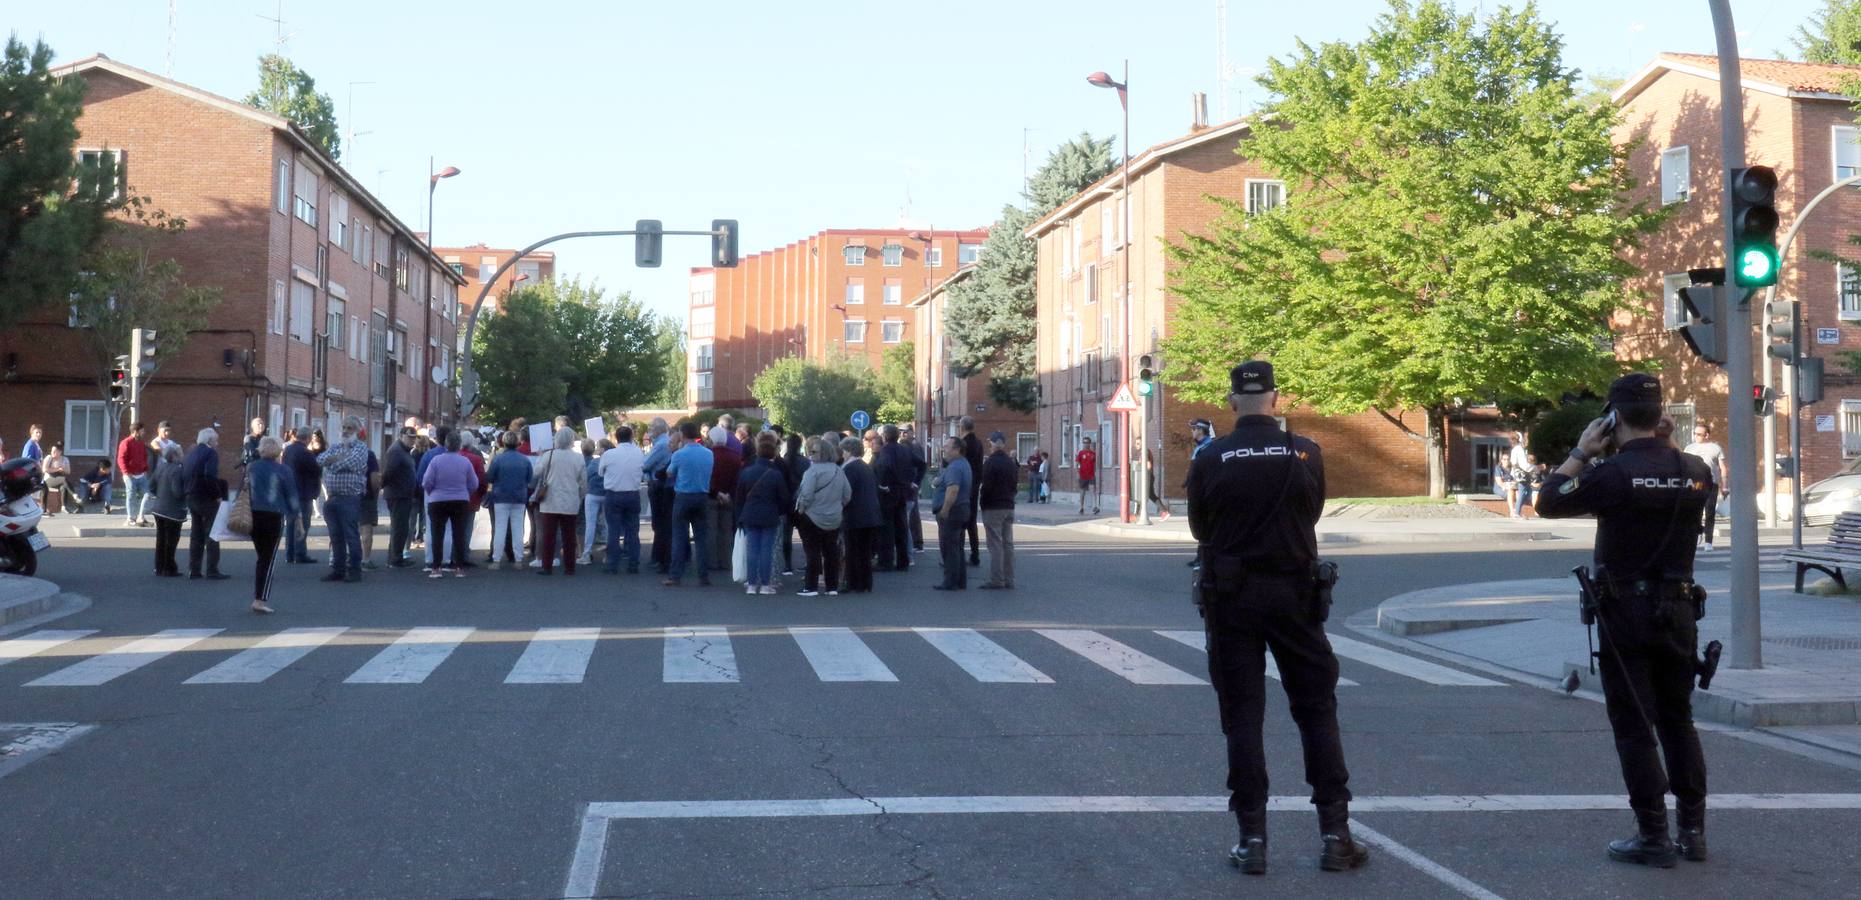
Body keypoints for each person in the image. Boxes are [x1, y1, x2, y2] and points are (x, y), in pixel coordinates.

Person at [1188, 360, 1366, 875]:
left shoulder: (1212, 454)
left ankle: (1253, 841)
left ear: (1229, 401)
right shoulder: (1305, 451)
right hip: (1294, 595)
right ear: (1276, 398)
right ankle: (1336, 835)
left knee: (1243, 718)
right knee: (1317, 712)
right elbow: (1311, 513)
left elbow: (1201, 525)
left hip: (1232, 598)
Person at [1536, 372, 1713, 868]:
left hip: (1625, 613)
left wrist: (1580, 451)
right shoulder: (1697, 470)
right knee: (1679, 720)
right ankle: (1694, 833)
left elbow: (1546, 502)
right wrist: (1668, 442)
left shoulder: (1611, 474)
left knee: (1635, 725)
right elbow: (1678, 480)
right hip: (1679, 610)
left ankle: (1653, 834)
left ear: (1613, 418)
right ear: (1661, 416)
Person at [735, 432, 793, 595]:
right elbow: (784, 498)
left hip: (750, 514)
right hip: (769, 515)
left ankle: (752, 584)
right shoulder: (775, 474)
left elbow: (739, 497)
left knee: (752, 549)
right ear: (773, 454)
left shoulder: (747, 472)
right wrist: (778, 511)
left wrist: (739, 516)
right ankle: (766, 584)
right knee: (766, 549)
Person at [793, 436, 851, 596]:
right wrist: (837, 507)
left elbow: (806, 495)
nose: (810, 454)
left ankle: (810, 586)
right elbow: (847, 494)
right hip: (834, 517)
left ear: (820, 454)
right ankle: (832, 587)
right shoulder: (839, 470)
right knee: (831, 552)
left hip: (812, 517)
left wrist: (801, 510)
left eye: (813, 452)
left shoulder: (812, 472)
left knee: (812, 551)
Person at [315, 417, 370, 583]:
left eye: (350, 428)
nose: (346, 431)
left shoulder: (361, 448)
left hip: (350, 498)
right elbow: (319, 460)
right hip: (332, 499)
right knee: (335, 536)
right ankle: (338, 569)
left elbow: (352, 463)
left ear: (357, 431)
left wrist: (333, 463)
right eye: (344, 427)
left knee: (351, 535)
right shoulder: (335, 447)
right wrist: (335, 460)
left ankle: (354, 569)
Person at [246, 436, 297, 614]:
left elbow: (244, 490)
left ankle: (258, 597)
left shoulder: (251, 467)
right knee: (268, 559)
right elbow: (291, 495)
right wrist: (296, 518)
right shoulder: (283, 470)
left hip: (253, 514)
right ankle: (259, 599)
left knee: (262, 556)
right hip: (274, 515)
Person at [420, 430, 479, 579]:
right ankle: (459, 567)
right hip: (460, 500)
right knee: (459, 534)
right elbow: (474, 483)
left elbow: (426, 482)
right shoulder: (465, 462)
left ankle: (436, 567)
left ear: (446, 445)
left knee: (437, 533)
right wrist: (465, 492)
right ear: (459, 445)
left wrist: (433, 492)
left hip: (438, 501)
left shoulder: (436, 461)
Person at [664, 422, 715, 587]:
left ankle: (675, 575)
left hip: (683, 496)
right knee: (701, 538)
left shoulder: (679, 454)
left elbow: (670, 472)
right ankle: (703, 575)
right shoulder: (708, 453)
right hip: (702, 496)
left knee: (679, 537)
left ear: (683, 435)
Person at [532, 427, 588, 576]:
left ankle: (546, 566)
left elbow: (536, 472)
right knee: (569, 536)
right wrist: (580, 496)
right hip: (570, 500)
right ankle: (570, 567)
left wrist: (540, 456)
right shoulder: (578, 458)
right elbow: (583, 482)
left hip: (550, 500)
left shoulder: (548, 455)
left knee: (548, 536)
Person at [598, 426, 645, 575]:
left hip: (613, 494)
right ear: (631, 436)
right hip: (632, 493)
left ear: (616, 438)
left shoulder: (609, 454)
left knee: (613, 530)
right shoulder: (638, 452)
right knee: (633, 530)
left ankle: (612, 564)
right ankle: (633, 563)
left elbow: (601, 472)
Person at [182, 428, 228, 580]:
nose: (217, 443)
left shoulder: (191, 453)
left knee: (196, 534)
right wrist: (217, 495)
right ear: (210, 441)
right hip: (205, 497)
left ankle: (194, 569)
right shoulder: (210, 454)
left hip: (191, 495)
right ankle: (212, 569)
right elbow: (210, 475)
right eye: (216, 440)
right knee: (212, 533)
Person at [485, 431, 534, 569]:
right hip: (519, 497)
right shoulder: (524, 459)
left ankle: (496, 560)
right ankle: (518, 560)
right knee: (518, 529)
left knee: (500, 529)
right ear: (517, 443)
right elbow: (530, 478)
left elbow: (489, 477)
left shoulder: (498, 459)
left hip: (501, 497)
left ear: (504, 442)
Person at [839, 435, 881, 593]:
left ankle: (853, 582)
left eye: (843, 451)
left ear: (849, 451)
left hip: (855, 515)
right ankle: (865, 582)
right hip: (870, 515)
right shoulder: (865, 466)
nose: (842, 454)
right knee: (864, 551)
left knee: (852, 550)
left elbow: (846, 493)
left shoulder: (849, 468)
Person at [932, 436, 973, 591]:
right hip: (962, 508)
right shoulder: (963, 464)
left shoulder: (955, 467)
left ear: (957, 449)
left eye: (947, 447)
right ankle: (960, 580)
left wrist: (945, 509)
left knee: (949, 547)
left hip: (953, 510)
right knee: (957, 547)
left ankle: (950, 581)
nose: (944, 449)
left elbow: (953, 489)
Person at [978, 431, 1018, 589]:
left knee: (995, 544)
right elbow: (1014, 484)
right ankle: (1009, 578)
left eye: (990, 443)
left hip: (993, 506)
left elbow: (986, 486)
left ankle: (997, 578)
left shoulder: (990, 463)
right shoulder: (1010, 462)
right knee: (1008, 544)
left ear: (994, 444)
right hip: (1009, 505)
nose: (989, 445)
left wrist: (982, 503)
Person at [1682, 422, 1729, 552]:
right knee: (1693, 511)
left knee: (1710, 512)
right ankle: (1695, 535)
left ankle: (1708, 541)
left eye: (1699, 434)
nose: (1696, 436)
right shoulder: (1689, 448)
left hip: (1711, 483)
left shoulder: (1716, 448)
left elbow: (1723, 468)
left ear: (1706, 435)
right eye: (1695, 434)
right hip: (1694, 483)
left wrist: (1724, 486)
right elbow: (1684, 466)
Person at [873, 425, 913, 573]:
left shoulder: (886, 451)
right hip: (902, 492)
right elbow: (917, 464)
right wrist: (910, 481)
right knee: (901, 528)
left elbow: (885, 466)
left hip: (888, 493)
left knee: (886, 529)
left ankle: (886, 561)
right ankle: (903, 561)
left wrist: (883, 484)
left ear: (884, 436)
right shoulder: (904, 449)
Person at [382, 427, 420, 568]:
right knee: (399, 527)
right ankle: (395, 559)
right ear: (402, 436)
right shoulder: (396, 451)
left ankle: (395, 556)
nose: (412, 440)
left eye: (414, 437)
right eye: (409, 437)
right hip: (397, 495)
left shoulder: (403, 451)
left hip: (403, 494)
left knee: (401, 527)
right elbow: (388, 473)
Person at [148, 443, 188, 577]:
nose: (183, 455)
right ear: (174, 455)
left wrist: (160, 495)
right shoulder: (178, 470)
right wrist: (185, 494)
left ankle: (158, 566)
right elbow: (177, 492)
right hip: (173, 511)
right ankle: (169, 567)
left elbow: (151, 486)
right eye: (181, 453)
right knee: (171, 540)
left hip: (158, 508)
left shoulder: (161, 467)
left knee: (161, 538)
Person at [282, 427, 320, 565]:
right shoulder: (305, 452)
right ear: (308, 438)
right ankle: (300, 553)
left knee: (291, 523)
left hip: (290, 492)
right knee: (303, 523)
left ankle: (289, 553)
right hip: (303, 492)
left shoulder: (288, 450)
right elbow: (316, 470)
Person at [707, 425, 742, 573]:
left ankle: (712, 562)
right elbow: (737, 479)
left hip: (711, 496)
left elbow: (707, 479)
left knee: (711, 529)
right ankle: (726, 561)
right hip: (729, 496)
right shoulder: (735, 456)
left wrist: (716, 493)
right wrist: (728, 493)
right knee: (726, 531)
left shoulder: (708, 455)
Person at [643, 418, 674, 574]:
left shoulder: (661, 444)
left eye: (651, 427)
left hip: (658, 485)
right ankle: (659, 556)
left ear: (659, 429)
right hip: (660, 484)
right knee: (662, 523)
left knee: (659, 523)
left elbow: (646, 464)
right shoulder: (663, 442)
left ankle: (660, 557)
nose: (650, 430)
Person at [778, 432, 808, 576]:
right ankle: (809, 562)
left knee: (786, 535)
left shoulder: (784, 461)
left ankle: (788, 565)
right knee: (805, 534)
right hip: (800, 500)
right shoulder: (805, 462)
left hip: (786, 501)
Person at [117, 422, 153, 526]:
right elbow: (121, 458)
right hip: (130, 475)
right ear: (136, 432)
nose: (144, 432)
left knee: (148, 494)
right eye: (142, 431)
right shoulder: (126, 442)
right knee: (131, 496)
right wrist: (126, 472)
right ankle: (130, 518)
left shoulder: (141, 443)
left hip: (141, 474)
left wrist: (145, 468)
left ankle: (140, 517)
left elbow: (144, 456)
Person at [959, 418, 984, 566]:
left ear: (962, 427)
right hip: (974, 485)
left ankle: (958, 554)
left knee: (960, 521)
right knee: (971, 521)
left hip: (964, 485)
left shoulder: (963, 444)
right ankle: (975, 554)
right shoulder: (978, 443)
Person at [580, 438, 609, 564]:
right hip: (607, 493)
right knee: (608, 525)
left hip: (592, 493)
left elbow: (586, 476)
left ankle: (586, 554)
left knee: (590, 525)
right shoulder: (611, 461)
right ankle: (609, 555)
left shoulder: (594, 462)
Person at [358, 438, 382, 570]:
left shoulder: (341, 452)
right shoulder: (369, 454)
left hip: (347, 495)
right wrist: (375, 493)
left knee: (347, 527)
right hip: (366, 495)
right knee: (366, 528)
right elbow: (374, 478)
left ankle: (342, 557)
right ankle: (365, 560)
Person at [902, 427, 928, 551]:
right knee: (912, 513)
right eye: (902, 432)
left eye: (906, 432)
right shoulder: (911, 446)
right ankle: (916, 542)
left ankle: (917, 542)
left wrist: (916, 482)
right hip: (912, 483)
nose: (903, 434)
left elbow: (921, 464)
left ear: (912, 432)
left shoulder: (913, 446)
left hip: (911, 484)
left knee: (913, 513)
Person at [39, 445, 69, 515]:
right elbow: (44, 470)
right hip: (48, 480)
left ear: (60, 452)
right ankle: (74, 495)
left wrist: (63, 470)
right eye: (52, 451)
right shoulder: (49, 458)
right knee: (64, 481)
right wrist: (57, 469)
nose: (52, 452)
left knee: (63, 487)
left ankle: (63, 507)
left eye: (55, 451)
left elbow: (68, 472)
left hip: (58, 480)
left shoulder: (63, 459)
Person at [1076, 436, 1099, 515]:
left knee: (1093, 490)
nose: (1086, 444)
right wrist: (1078, 473)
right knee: (1082, 492)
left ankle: (1095, 507)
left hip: (1091, 475)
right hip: (1083, 475)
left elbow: (1095, 463)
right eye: (1084, 443)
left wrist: (1095, 472)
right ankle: (1081, 507)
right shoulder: (1081, 453)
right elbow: (1078, 463)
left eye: (1087, 443)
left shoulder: (1093, 453)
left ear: (1090, 443)